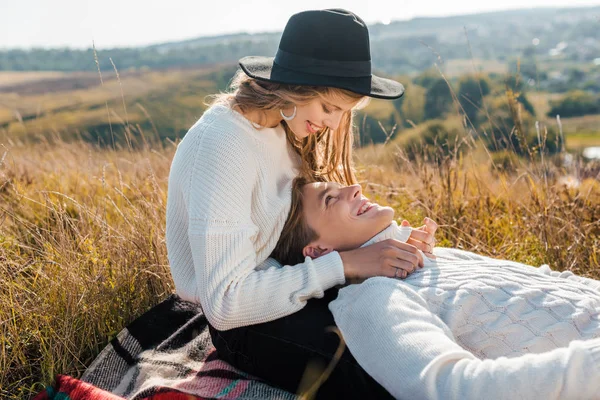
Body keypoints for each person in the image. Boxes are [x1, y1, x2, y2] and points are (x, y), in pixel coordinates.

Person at [165, 8, 438, 399]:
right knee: (383, 371)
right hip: (244, 323)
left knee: (406, 329)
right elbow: (225, 304)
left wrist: (397, 242)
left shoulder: (281, 126)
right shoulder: (223, 144)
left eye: (344, 113)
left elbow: (313, 227)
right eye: (330, 109)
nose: (332, 124)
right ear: (295, 87)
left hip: (289, 284)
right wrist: (347, 264)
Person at [270, 176, 600, 399]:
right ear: (318, 251)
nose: (354, 187)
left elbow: (552, 285)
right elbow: (453, 389)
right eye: (331, 199)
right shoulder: (373, 299)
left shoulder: (432, 254)